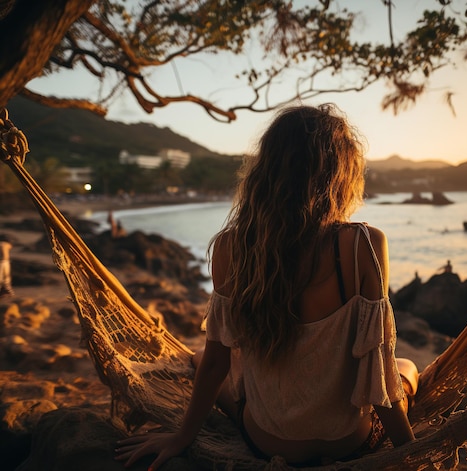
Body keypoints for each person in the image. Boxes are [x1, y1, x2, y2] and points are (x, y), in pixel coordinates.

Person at [115, 104, 418, 469]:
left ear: (267, 170)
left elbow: (216, 365)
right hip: (348, 443)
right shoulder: (362, 246)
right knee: (406, 367)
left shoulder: (232, 247)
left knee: (200, 359)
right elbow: (380, 377)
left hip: (266, 441)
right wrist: (413, 453)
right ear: (340, 174)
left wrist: (182, 438)